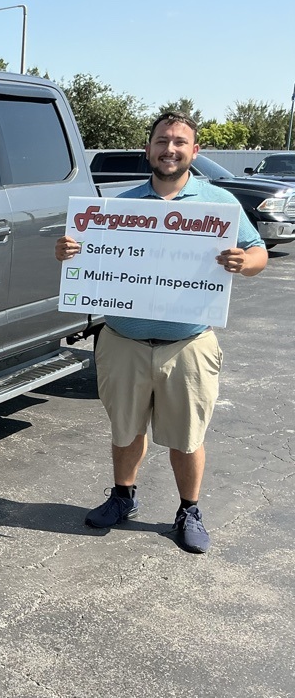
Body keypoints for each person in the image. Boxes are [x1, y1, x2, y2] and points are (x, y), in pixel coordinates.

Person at [56, 112, 267, 553]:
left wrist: (242, 263)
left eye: (179, 142)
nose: (169, 149)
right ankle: (122, 497)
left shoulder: (217, 205)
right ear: (148, 148)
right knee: (125, 431)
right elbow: (85, 254)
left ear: (195, 151)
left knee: (187, 438)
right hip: (123, 343)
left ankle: (188, 509)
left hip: (187, 344)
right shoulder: (117, 206)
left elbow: (258, 251)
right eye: (161, 141)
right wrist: (68, 251)